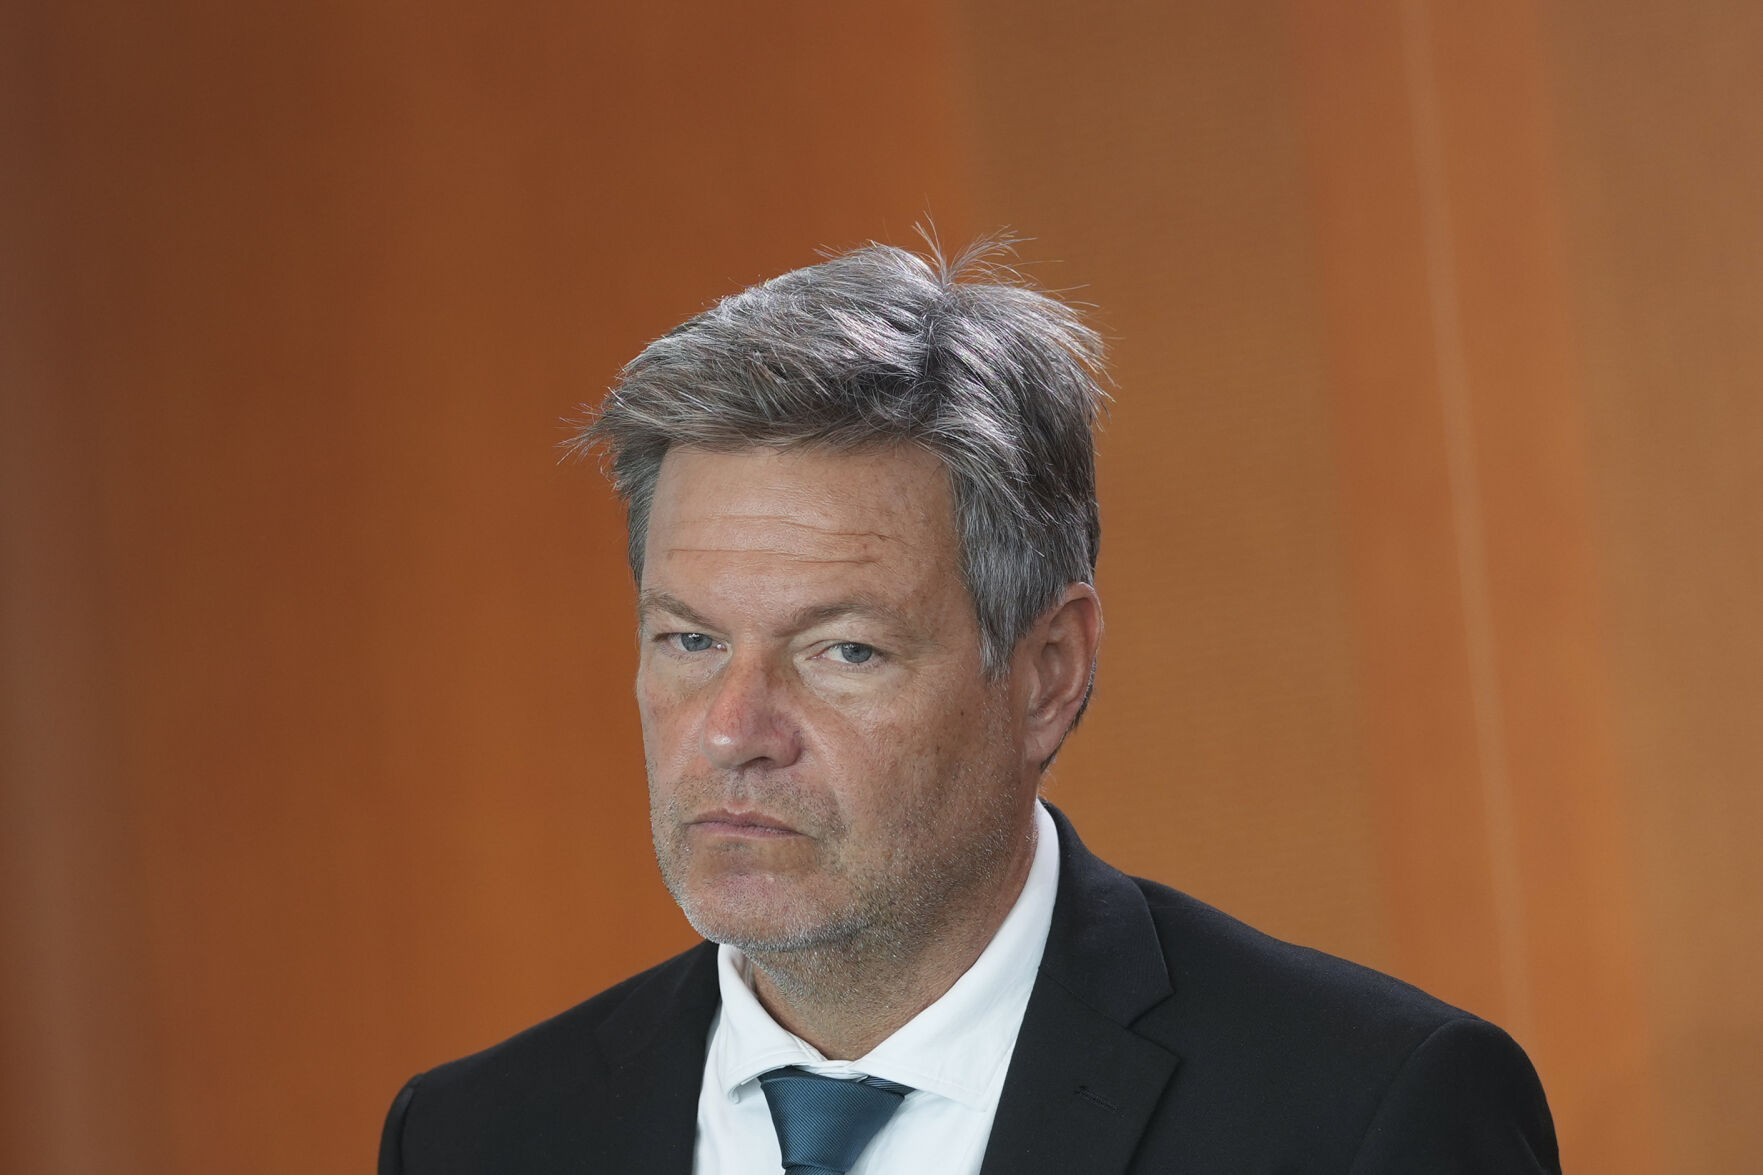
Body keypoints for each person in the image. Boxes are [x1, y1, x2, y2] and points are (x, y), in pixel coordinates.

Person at [378, 238, 1560, 1174]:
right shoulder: (472, 1135)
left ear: (1047, 669)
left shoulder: (1361, 1113)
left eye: (842, 649)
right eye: (690, 638)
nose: (733, 729)